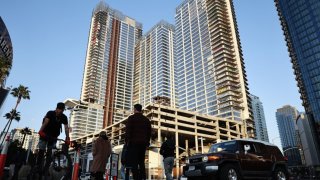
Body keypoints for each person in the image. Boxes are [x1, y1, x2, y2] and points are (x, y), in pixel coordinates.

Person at [36, 102, 70, 178]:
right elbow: (46, 122)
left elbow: (66, 128)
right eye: (59, 110)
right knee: (41, 150)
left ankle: (46, 168)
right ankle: (38, 167)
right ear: (56, 108)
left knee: (50, 152)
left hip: (54, 136)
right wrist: (40, 131)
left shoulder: (64, 117)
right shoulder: (50, 113)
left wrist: (68, 138)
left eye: (62, 111)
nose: (60, 112)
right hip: (45, 134)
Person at [125, 104, 152, 180]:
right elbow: (149, 133)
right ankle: (143, 178)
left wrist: (127, 142)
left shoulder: (131, 118)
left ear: (135, 109)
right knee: (141, 162)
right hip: (143, 144)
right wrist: (147, 143)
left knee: (134, 163)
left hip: (133, 143)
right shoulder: (146, 120)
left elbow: (128, 131)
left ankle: (136, 178)